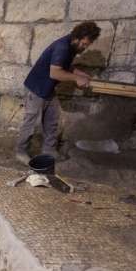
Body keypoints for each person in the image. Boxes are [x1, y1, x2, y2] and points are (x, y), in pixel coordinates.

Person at [16, 21, 101, 165]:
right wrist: (76, 78)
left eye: (87, 45)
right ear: (77, 38)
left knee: (52, 120)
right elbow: (55, 73)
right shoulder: (62, 46)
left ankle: (49, 150)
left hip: (48, 88)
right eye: (84, 44)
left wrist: (81, 74)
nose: (84, 48)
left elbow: (66, 66)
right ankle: (21, 151)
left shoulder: (72, 47)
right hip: (36, 88)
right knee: (31, 123)